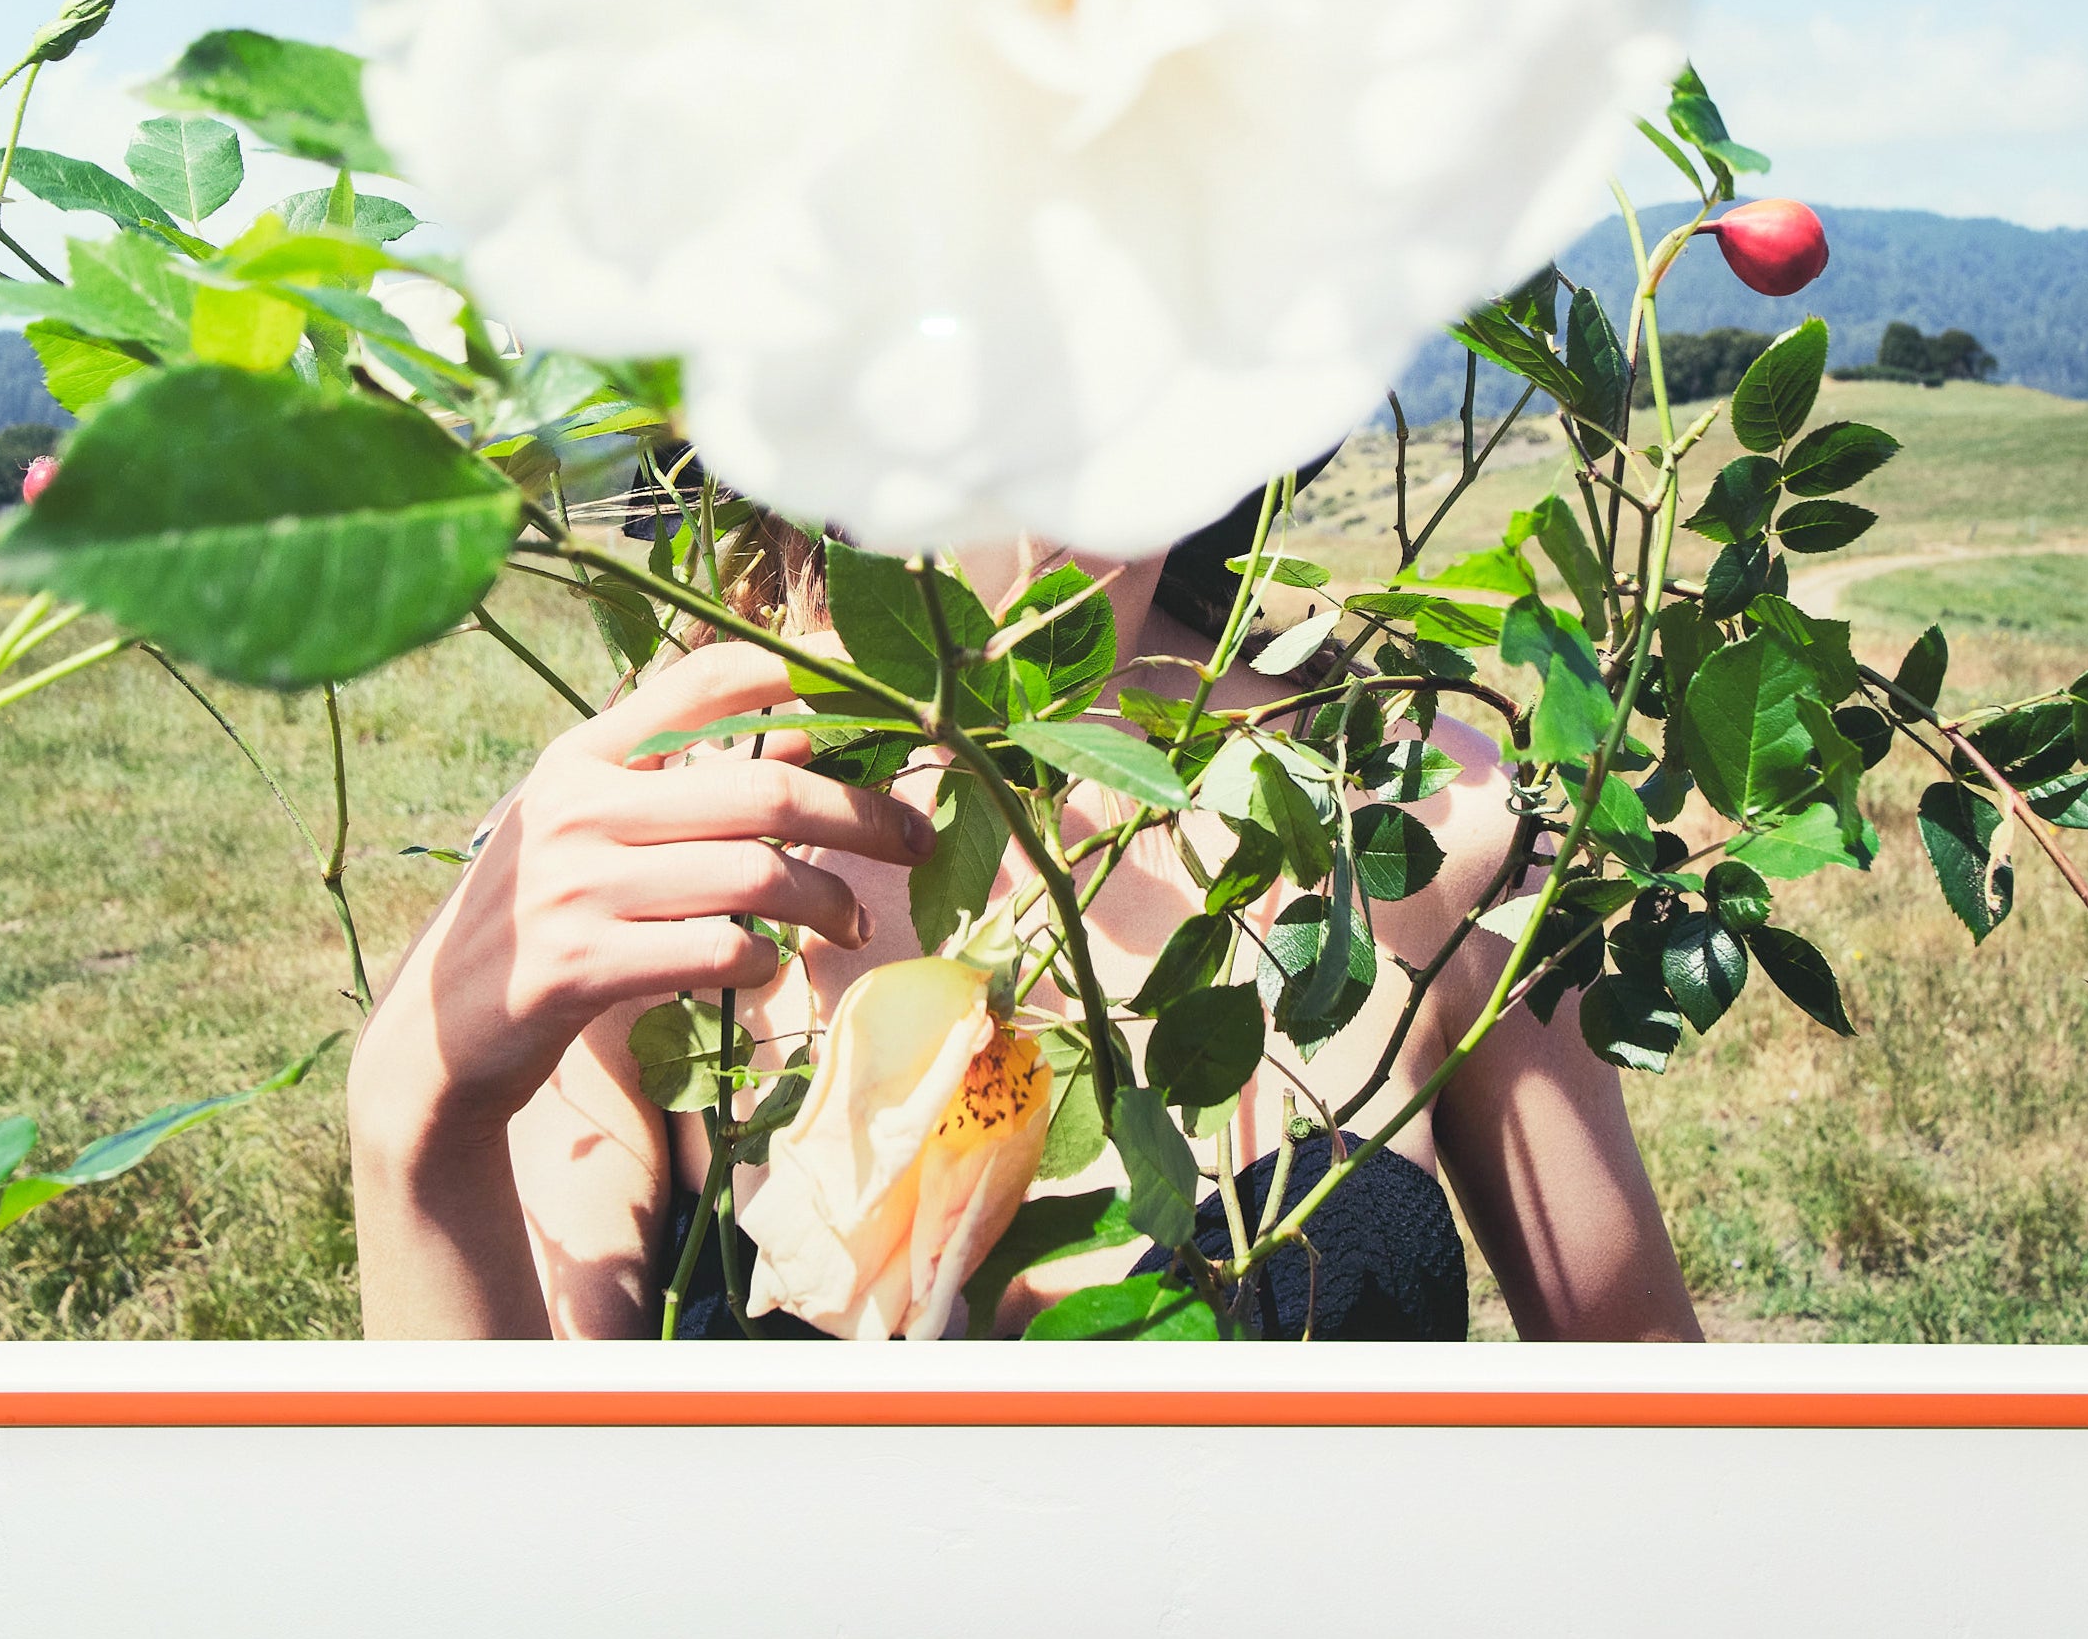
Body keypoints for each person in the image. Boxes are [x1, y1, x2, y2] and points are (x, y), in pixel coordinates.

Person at [347, 505, 1705, 1343]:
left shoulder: (1423, 816)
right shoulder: (633, 856)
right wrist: (415, 1122)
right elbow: (517, 1543)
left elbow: (1653, 1455)